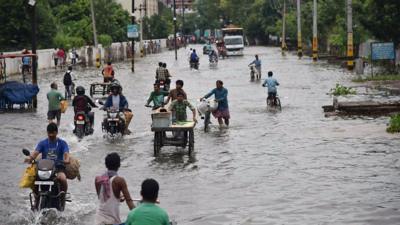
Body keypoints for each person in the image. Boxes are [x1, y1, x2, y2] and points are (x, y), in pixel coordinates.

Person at [24, 123, 70, 209]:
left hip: (58, 168)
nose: (51, 135)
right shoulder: (42, 143)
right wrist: (30, 158)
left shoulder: (62, 143)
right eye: (49, 133)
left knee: (63, 179)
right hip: (44, 168)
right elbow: (35, 153)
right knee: (33, 179)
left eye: (53, 133)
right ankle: (36, 199)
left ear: (56, 132)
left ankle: (63, 198)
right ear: (47, 132)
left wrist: (67, 160)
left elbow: (66, 153)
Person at [95, 153, 135, 225]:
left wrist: (118, 197)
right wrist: (139, 215)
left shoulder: (98, 179)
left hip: (99, 220)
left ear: (106, 165)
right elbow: (129, 201)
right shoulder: (119, 180)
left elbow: (102, 198)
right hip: (113, 221)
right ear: (119, 165)